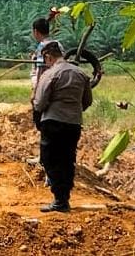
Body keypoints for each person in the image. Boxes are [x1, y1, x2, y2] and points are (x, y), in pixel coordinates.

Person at [33, 42, 93, 212]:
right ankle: (64, 197)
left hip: (53, 122)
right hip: (74, 123)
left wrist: (40, 112)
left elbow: (40, 102)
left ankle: (60, 200)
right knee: (67, 159)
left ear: (48, 57)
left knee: (49, 159)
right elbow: (87, 101)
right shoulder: (81, 74)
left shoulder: (50, 73)